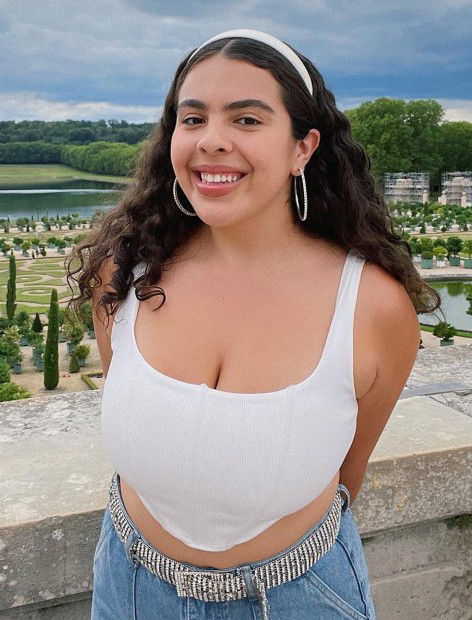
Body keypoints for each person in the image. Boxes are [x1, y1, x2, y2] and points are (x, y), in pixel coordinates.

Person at [66, 28, 440, 620]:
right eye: (193, 119)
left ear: (302, 148)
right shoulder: (125, 274)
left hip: (299, 598)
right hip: (128, 588)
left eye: (246, 119)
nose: (211, 140)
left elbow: (347, 474)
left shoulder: (372, 306)